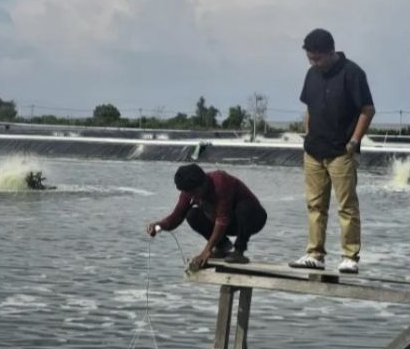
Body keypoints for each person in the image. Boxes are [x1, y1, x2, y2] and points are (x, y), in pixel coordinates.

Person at [289, 28, 375, 274]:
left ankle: (350, 256)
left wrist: (354, 141)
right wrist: (307, 134)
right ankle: (314, 253)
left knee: (346, 205)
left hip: (341, 152)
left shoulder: (353, 73)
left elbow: (367, 110)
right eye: (310, 58)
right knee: (315, 205)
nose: (314, 63)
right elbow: (309, 108)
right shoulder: (311, 74)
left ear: (331, 52)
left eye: (318, 58)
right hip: (314, 150)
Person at [147, 163, 268, 271]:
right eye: (189, 194)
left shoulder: (220, 182)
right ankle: (223, 247)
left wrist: (206, 250)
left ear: (204, 183)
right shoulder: (188, 193)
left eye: (195, 193)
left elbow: (222, 219)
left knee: (244, 207)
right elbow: (177, 216)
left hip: (252, 220)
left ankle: (239, 251)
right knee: (192, 214)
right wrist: (159, 226)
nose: (193, 197)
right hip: (227, 223)